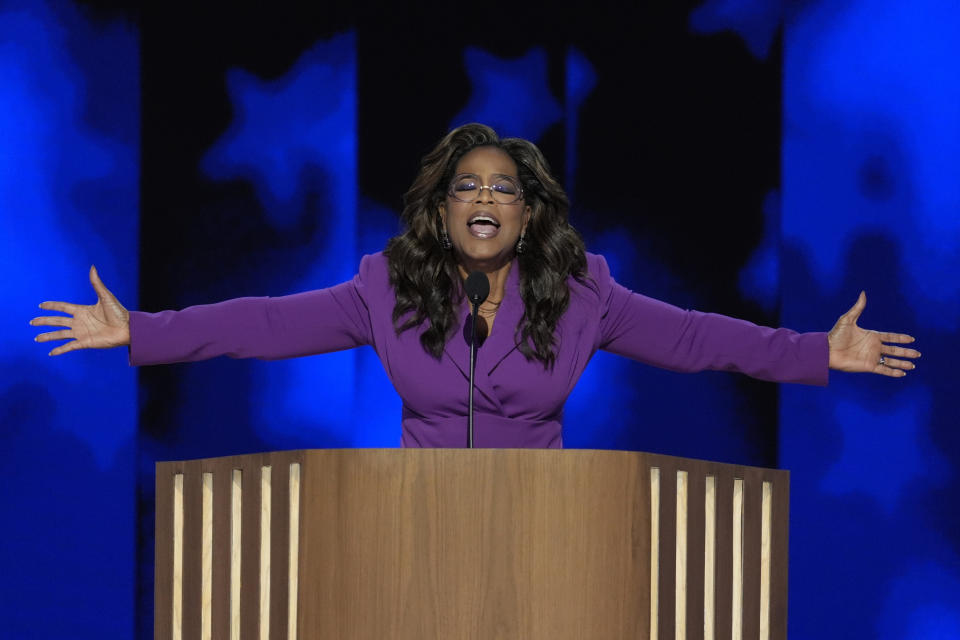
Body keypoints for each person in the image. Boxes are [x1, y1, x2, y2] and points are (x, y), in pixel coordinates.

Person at [30, 123, 920, 447]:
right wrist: (141, 332)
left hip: (548, 533)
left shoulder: (585, 293)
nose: (486, 197)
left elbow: (696, 338)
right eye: (468, 187)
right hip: (419, 533)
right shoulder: (384, 288)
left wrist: (816, 350)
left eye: (505, 188)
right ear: (443, 211)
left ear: (530, 215)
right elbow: (260, 322)